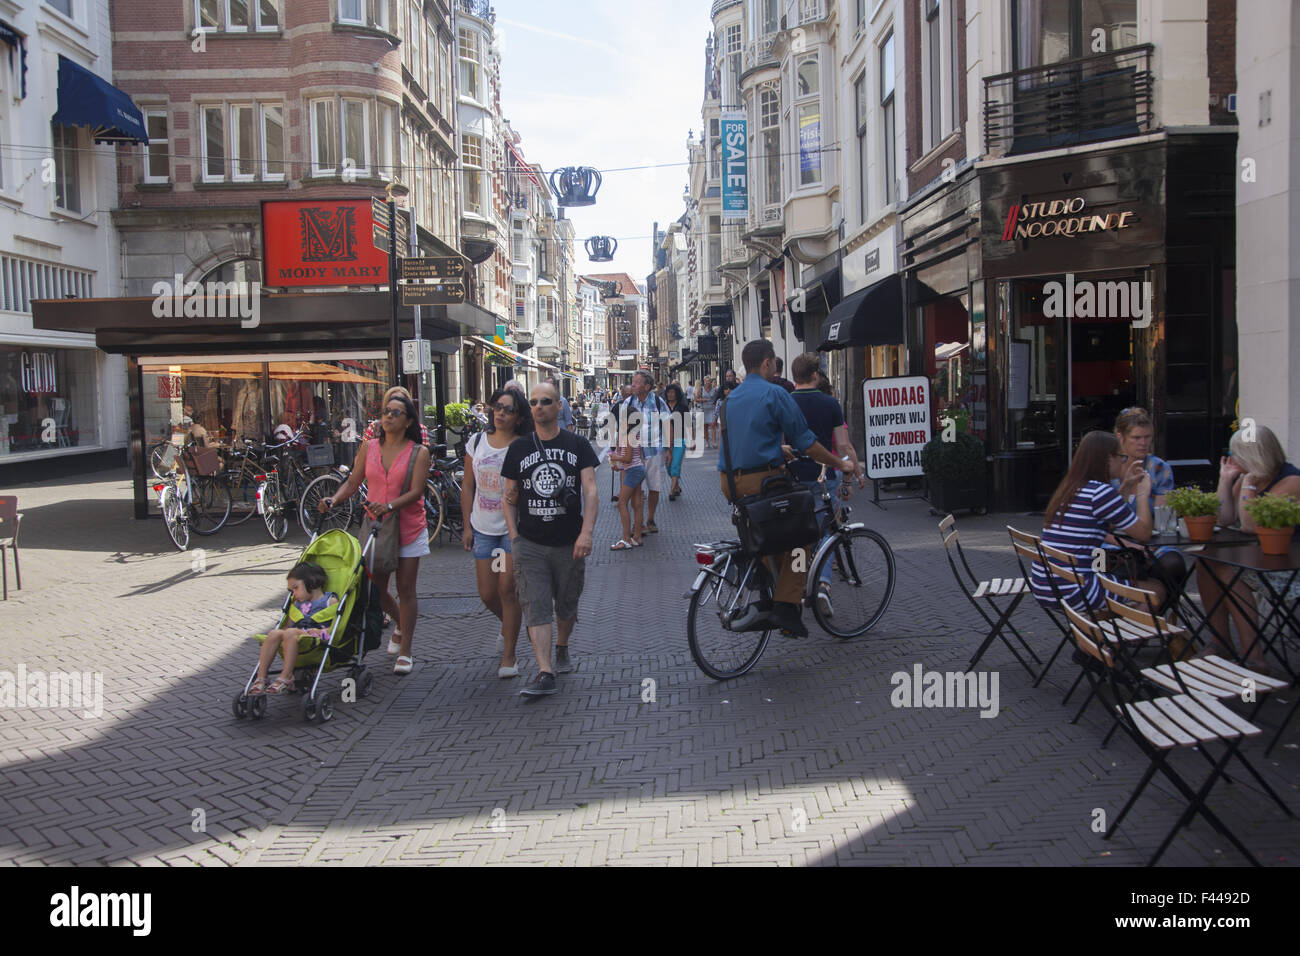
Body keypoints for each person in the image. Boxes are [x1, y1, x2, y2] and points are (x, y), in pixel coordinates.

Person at [717, 340, 847, 637]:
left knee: (772, 537)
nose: (777, 368)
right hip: (761, 482)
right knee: (803, 535)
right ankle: (786, 607)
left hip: (729, 483)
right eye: (775, 362)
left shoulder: (730, 399)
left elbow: (742, 439)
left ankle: (773, 594)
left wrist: (777, 447)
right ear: (766, 363)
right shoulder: (775, 393)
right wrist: (840, 463)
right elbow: (808, 442)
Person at [502, 382, 600, 697]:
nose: (539, 406)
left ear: (559, 406)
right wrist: (515, 537)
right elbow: (509, 496)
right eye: (533, 402)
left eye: (546, 401)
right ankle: (545, 671)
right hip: (530, 543)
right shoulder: (518, 449)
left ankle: (562, 644)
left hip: (569, 541)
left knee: (567, 605)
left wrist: (586, 532)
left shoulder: (577, 445)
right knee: (536, 605)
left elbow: (591, 489)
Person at [321, 393, 430, 675]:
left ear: (407, 422)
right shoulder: (368, 448)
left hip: (408, 525)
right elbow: (354, 480)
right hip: (376, 527)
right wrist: (334, 499)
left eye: (395, 413)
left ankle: (406, 649)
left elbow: (417, 491)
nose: (388, 417)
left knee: (406, 589)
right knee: (376, 590)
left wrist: (390, 505)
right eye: (385, 412)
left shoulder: (418, 452)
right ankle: (401, 625)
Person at [1195, 423, 1300, 671]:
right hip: (1261, 560)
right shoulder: (1249, 478)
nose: (1233, 459)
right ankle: (1221, 641)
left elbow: (1250, 526)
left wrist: (1248, 485)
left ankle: (1254, 656)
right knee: (1205, 561)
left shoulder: (1291, 481)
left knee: (1229, 571)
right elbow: (1225, 519)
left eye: (1238, 453)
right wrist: (1225, 480)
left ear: (1255, 456)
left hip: (1288, 567)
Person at [1028, 430, 1161, 612]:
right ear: (1108, 459)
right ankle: (1121, 639)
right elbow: (1144, 533)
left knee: (1121, 575)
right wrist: (1142, 493)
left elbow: (1110, 521)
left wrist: (1127, 485)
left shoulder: (1070, 488)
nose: (1123, 463)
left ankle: (1107, 634)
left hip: (1046, 585)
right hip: (1076, 590)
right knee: (1155, 591)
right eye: (1121, 457)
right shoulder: (1100, 493)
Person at [786, 353, 866, 618]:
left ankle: (797, 588)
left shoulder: (785, 402)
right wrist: (847, 477)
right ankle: (822, 585)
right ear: (815, 375)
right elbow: (842, 446)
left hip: (794, 477)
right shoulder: (830, 404)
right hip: (823, 477)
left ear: (795, 376)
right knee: (827, 534)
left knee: (798, 536)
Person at [462, 386, 533, 678]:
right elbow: (468, 485)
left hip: (509, 529)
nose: (501, 413)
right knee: (487, 593)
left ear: (518, 418)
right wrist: (466, 525)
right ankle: (512, 627)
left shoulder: (521, 445)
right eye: (498, 407)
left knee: (506, 589)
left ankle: (509, 655)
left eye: (508, 409)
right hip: (482, 528)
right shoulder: (476, 442)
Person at [251, 562, 338, 695]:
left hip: (317, 638)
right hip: (295, 636)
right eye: (291, 590)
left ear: (312, 582)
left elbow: (337, 627)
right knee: (275, 633)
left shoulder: (329, 601)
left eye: (296, 588)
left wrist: (321, 631)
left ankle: (287, 676)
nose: (293, 593)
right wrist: (283, 632)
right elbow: (289, 626)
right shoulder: (297, 604)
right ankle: (261, 677)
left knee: (291, 632)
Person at [626, 371, 672, 534]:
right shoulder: (628, 402)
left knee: (654, 486)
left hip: (654, 452)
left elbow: (667, 425)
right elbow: (621, 427)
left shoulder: (658, 403)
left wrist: (668, 449)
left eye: (637, 382)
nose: (633, 385)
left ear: (646, 387)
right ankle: (638, 523)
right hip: (635, 453)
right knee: (635, 487)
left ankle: (650, 518)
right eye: (633, 381)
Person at [1111, 407, 1174, 506]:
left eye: (1148, 437)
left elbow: (1163, 516)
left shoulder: (1159, 468)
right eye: (1136, 438)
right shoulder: (1108, 468)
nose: (1143, 443)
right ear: (1120, 437)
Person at [609, 408, 645, 550]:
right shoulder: (634, 434)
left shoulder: (629, 436)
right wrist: (619, 465)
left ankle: (626, 539)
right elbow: (635, 456)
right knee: (637, 504)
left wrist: (616, 458)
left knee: (621, 503)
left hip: (633, 470)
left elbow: (628, 457)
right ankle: (637, 536)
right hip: (637, 468)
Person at [362, 386, 430, 446]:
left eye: (397, 412)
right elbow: (364, 455)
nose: (390, 415)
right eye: (387, 410)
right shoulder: (374, 427)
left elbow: (424, 457)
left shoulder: (421, 429)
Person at [662, 382, 691, 500]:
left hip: (680, 438)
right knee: (668, 466)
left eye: (672, 392)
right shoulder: (663, 407)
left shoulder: (683, 407)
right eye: (668, 392)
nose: (670, 394)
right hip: (666, 439)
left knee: (675, 464)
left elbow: (689, 424)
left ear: (677, 394)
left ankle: (671, 491)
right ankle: (677, 486)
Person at [697, 377, 717, 449]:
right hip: (704, 409)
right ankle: (707, 442)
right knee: (705, 426)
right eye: (706, 381)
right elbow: (696, 399)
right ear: (704, 381)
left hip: (712, 409)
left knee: (712, 425)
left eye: (709, 381)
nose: (708, 382)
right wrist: (702, 400)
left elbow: (717, 398)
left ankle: (714, 442)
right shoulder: (701, 389)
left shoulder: (714, 389)